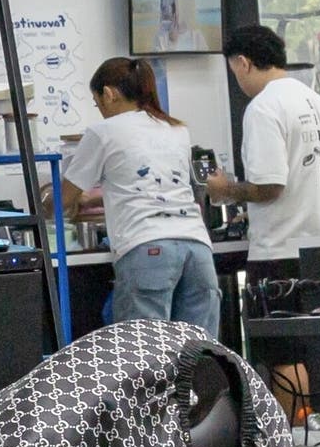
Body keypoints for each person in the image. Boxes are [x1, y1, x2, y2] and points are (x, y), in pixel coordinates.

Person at [209, 22, 320, 413]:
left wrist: (225, 190)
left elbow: (270, 185)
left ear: (242, 63)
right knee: (318, 353)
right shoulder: (319, 104)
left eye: (232, 70)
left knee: (284, 357)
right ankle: (317, 442)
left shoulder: (263, 108)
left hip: (281, 253)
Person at [56, 57, 216, 335]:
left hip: (147, 249)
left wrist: (48, 205)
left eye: (98, 104)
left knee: (143, 359)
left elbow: (63, 199)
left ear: (109, 93)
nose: (101, 111)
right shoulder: (176, 129)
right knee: (198, 355)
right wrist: (93, 200)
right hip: (198, 250)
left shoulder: (103, 131)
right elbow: (152, 188)